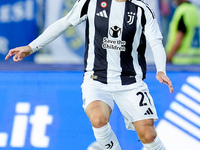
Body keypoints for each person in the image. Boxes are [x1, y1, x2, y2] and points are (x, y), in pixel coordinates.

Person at [5, 0, 173, 149]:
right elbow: (64, 23)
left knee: (148, 135)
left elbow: (156, 42)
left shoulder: (141, 9)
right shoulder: (91, 3)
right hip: (96, 78)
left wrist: (161, 70)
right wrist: (31, 47)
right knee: (98, 119)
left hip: (130, 81)